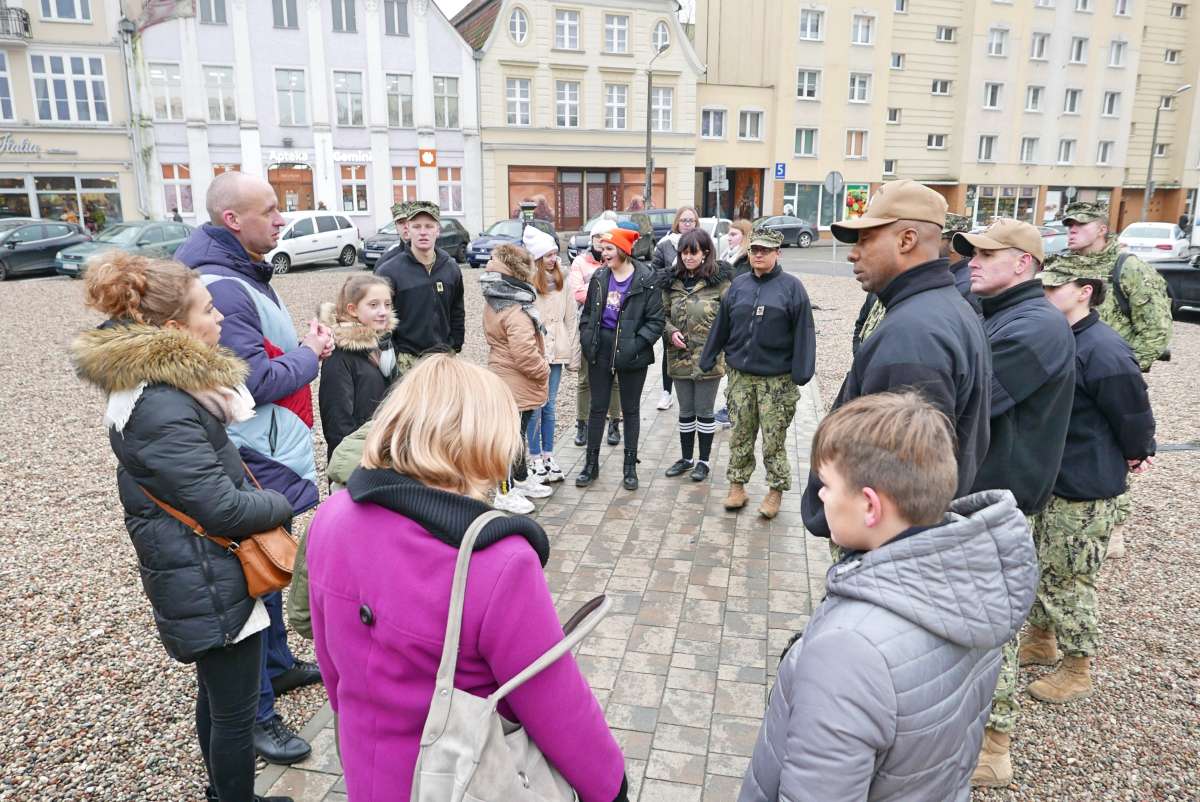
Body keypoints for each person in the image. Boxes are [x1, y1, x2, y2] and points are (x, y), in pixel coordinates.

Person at [305, 355, 628, 801]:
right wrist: (611, 786)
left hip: (368, 773)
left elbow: (332, 667)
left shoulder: (331, 517)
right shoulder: (496, 562)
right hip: (456, 783)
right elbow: (556, 705)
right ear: (483, 442)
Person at [71, 254, 295, 802]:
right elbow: (223, 510)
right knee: (235, 712)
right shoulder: (160, 405)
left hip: (202, 569)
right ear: (174, 328)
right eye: (209, 309)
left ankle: (224, 793)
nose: (220, 318)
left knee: (219, 698)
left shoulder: (157, 391)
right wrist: (280, 502)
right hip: (208, 576)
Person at [739, 392, 1037, 802]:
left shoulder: (849, 651)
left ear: (870, 506)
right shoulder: (973, 590)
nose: (820, 496)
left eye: (827, 485)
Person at [174, 170, 327, 765]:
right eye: (270, 210)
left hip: (266, 448)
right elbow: (252, 380)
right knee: (254, 575)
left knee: (273, 564)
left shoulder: (238, 273)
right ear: (232, 220)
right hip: (254, 457)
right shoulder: (223, 284)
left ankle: (278, 667)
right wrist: (310, 354)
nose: (282, 219)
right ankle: (258, 712)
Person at [950, 219, 1077, 788]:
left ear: (1024, 263)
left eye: (986, 254)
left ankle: (993, 748)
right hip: (980, 496)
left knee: (989, 630)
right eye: (971, 253)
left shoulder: (1035, 327)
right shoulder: (1000, 312)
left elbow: (967, 401)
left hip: (997, 504)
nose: (972, 262)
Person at [801, 179, 992, 540]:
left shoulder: (914, 337)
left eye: (865, 240)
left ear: (906, 240)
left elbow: (899, 484)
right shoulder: (942, 310)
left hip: (884, 542)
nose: (853, 254)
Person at [1025, 262, 1155, 704]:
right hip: (1053, 476)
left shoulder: (1103, 348)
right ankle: (1042, 639)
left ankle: (1077, 667)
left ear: (1085, 291)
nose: (1044, 293)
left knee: (1070, 578)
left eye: (1054, 287)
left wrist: (1138, 450)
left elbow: (1132, 412)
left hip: (1084, 485)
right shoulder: (1061, 337)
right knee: (1042, 565)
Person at [1047, 200, 1172, 559]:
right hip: (1070, 371)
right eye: (1068, 224)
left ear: (1102, 229)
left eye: (1080, 224)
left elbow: (1156, 328)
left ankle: (1112, 524)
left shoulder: (1128, 268)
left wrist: (1123, 367)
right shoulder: (1060, 267)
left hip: (1107, 372)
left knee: (1112, 447)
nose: (1072, 230)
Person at [700, 228, 815, 518]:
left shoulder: (792, 289)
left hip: (777, 381)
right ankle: (737, 486)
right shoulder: (738, 286)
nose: (759, 255)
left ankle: (775, 490)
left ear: (778, 253)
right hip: (740, 377)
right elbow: (722, 324)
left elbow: (804, 333)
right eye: (755, 250)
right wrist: (708, 356)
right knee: (740, 434)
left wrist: (802, 371)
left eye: (766, 250)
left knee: (773, 439)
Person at [576, 226, 665, 490]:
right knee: (597, 407)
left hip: (632, 352)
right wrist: (587, 338)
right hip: (600, 349)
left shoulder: (646, 278)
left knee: (631, 410)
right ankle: (590, 465)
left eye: (609, 249)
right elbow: (587, 315)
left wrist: (636, 345)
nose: (603, 254)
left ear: (623, 251)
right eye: (602, 249)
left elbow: (656, 321)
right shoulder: (600, 276)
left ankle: (629, 467)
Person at [481, 242, 554, 514]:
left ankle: (521, 479)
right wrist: (544, 369)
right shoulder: (513, 309)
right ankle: (505, 491)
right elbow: (524, 354)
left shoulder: (498, 300)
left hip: (508, 376)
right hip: (514, 380)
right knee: (510, 439)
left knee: (517, 434)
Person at [852, 211, 978, 353]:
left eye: (933, 238)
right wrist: (861, 356)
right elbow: (861, 324)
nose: (922, 244)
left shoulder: (968, 287)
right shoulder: (890, 279)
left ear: (953, 244)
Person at [662, 229, 731, 482]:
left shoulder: (719, 283)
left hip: (708, 358)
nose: (688, 257)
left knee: (704, 411)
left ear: (705, 253)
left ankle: (703, 461)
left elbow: (730, 317)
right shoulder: (671, 282)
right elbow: (661, 315)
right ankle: (686, 458)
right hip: (679, 356)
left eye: (694, 252)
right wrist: (670, 332)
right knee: (686, 411)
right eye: (684, 252)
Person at [374, 200, 465, 378]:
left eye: (429, 226)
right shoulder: (389, 271)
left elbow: (457, 310)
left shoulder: (451, 268)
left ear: (438, 230)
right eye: (417, 226)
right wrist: (390, 353)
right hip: (406, 361)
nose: (423, 232)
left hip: (443, 359)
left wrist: (455, 345)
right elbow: (379, 317)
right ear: (408, 229)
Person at [316, 274, 397, 461]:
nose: (383, 311)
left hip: (384, 449)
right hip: (358, 458)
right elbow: (337, 423)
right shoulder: (339, 356)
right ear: (352, 310)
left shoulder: (383, 343)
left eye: (387, 304)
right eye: (374, 305)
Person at [524, 225, 576, 484]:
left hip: (557, 349)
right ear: (537, 258)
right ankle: (534, 457)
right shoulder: (528, 283)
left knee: (550, 405)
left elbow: (571, 318)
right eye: (548, 255)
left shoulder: (563, 280)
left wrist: (572, 353)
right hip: (537, 350)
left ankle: (548, 455)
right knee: (535, 406)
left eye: (555, 254)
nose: (553, 259)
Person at [569, 214, 623, 447]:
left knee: (615, 379)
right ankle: (582, 423)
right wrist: (603, 292)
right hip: (589, 326)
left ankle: (614, 423)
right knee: (584, 379)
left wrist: (593, 289)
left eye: (606, 239)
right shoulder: (580, 262)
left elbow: (622, 293)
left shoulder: (619, 263)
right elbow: (577, 293)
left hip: (614, 327)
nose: (601, 243)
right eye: (597, 237)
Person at [651, 207, 701, 411]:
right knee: (670, 348)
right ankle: (666, 392)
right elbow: (655, 273)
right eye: (684, 220)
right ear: (677, 222)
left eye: (691, 220)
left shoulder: (703, 242)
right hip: (672, 301)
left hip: (697, 302)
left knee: (697, 347)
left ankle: (696, 389)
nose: (687, 224)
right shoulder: (665, 244)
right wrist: (671, 275)